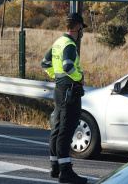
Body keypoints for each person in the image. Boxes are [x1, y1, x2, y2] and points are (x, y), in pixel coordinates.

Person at [41, 13, 88, 184]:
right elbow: (68, 66)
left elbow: (45, 63)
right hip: (69, 92)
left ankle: (55, 167)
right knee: (66, 131)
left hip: (60, 90)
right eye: (82, 28)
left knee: (57, 129)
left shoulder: (58, 42)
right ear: (78, 27)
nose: (82, 32)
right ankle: (65, 172)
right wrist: (79, 78)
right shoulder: (69, 44)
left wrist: (57, 77)